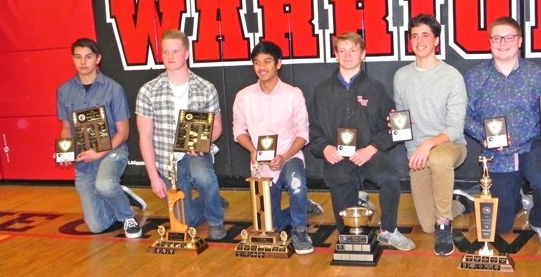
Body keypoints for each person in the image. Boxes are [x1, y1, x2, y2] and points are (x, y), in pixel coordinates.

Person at [308, 32, 415, 251]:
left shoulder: (376, 89)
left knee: (389, 177)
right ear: (335, 55)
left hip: (369, 154)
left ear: (363, 54)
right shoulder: (321, 92)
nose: (347, 55)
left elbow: (394, 128)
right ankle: (355, 211)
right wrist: (325, 148)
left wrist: (372, 148)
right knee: (346, 233)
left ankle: (388, 230)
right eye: (342, 50)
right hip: (337, 158)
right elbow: (312, 130)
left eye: (353, 50)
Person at [463, 16, 541, 247]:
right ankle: (517, 199)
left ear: (519, 41)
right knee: (500, 227)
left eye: (509, 37)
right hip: (497, 153)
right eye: (496, 38)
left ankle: (540, 220)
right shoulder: (475, 77)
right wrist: (484, 136)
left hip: (533, 144)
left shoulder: (537, 74)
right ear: (489, 42)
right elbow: (464, 117)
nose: (503, 42)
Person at [136, 29, 227, 240]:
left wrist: (200, 142)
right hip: (167, 161)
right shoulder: (148, 91)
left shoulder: (206, 88)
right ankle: (208, 202)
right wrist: (153, 177)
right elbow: (145, 136)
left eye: (175, 51)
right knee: (183, 222)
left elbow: (218, 127)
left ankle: (216, 221)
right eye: (166, 52)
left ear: (186, 53)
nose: (170, 56)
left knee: (204, 176)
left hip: (195, 153)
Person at [56, 37, 145, 239]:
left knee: (104, 185)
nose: (83, 62)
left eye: (88, 57)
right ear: (72, 59)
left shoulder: (114, 89)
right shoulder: (63, 91)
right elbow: (66, 128)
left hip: (112, 152)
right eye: (78, 57)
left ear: (98, 59)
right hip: (84, 159)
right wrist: (64, 153)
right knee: (96, 226)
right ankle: (118, 195)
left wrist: (99, 153)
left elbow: (124, 132)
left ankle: (127, 217)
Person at [232, 41, 316, 254]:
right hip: (260, 165)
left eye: (267, 61)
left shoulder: (293, 94)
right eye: (257, 62)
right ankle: (303, 207)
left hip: (289, 157)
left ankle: (299, 230)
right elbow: (238, 131)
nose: (262, 67)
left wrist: (285, 155)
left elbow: (302, 134)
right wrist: (252, 150)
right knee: (272, 223)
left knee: (296, 184)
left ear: (278, 64)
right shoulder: (243, 96)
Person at [393, 14, 467, 256]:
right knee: (426, 225)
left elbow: (455, 127)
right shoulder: (401, 76)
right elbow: (402, 121)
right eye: (414, 36)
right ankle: (457, 205)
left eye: (425, 34)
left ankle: (444, 223)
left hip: (450, 146)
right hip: (418, 153)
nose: (419, 40)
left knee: (439, 158)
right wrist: (398, 125)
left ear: (436, 40)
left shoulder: (451, 76)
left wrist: (428, 145)